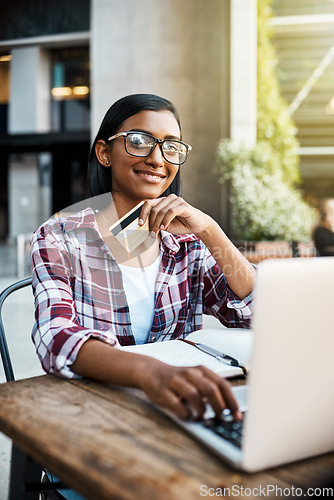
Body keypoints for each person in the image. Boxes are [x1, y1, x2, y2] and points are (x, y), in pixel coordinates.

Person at [31, 93, 255, 425]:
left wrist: (210, 229)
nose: (156, 158)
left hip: (177, 411)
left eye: (171, 147)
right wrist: (151, 373)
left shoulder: (188, 245)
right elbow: (56, 337)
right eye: (139, 141)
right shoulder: (60, 237)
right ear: (105, 153)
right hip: (92, 414)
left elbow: (254, 314)